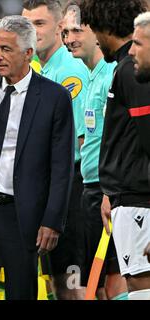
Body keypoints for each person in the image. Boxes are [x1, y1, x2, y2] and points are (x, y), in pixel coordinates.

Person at [0, 15, 74, 300]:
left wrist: (52, 220)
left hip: (21, 214)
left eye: (7, 49)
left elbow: (62, 165)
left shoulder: (54, 97)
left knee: (20, 293)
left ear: (28, 53)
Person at [81, 1, 150, 300]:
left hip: (137, 197)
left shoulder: (132, 72)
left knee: (140, 284)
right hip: (126, 195)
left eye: (95, 29)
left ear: (106, 26)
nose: (95, 39)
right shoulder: (124, 68)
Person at [22, 0, 90, 300]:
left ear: (60, 27)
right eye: (26, 25)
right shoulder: (42, 70)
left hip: (72, 186)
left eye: (39, 24)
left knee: (71, 280)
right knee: (54, 279)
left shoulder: (71, 70)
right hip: (51, 186)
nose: (31, 31)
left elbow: (78, 140)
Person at [62, 0, 128, 300]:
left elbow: (120, 138)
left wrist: (108, 191)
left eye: (77, 29)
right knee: (95, 280)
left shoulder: (112, 72)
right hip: (89, 187)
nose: (69, 38)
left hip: (106, 190)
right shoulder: (89, 76)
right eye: (65, 31)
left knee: (114, 275)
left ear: (96, 31)